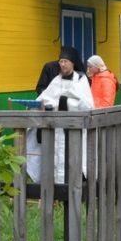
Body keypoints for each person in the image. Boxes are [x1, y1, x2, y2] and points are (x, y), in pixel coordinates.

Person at [34, 46, 94, 183]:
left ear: (72, 63)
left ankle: (75, 183)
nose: (62, 64)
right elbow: (45, 97)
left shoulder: (80, 80)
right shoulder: (57, 80)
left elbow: (87, 105)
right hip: (57, 129)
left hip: (74, 128)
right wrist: (39, 105)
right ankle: (58, 185)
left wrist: (65, 102)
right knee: (58, 158)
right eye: (60, 61)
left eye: (65, 61)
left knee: (73, 157)